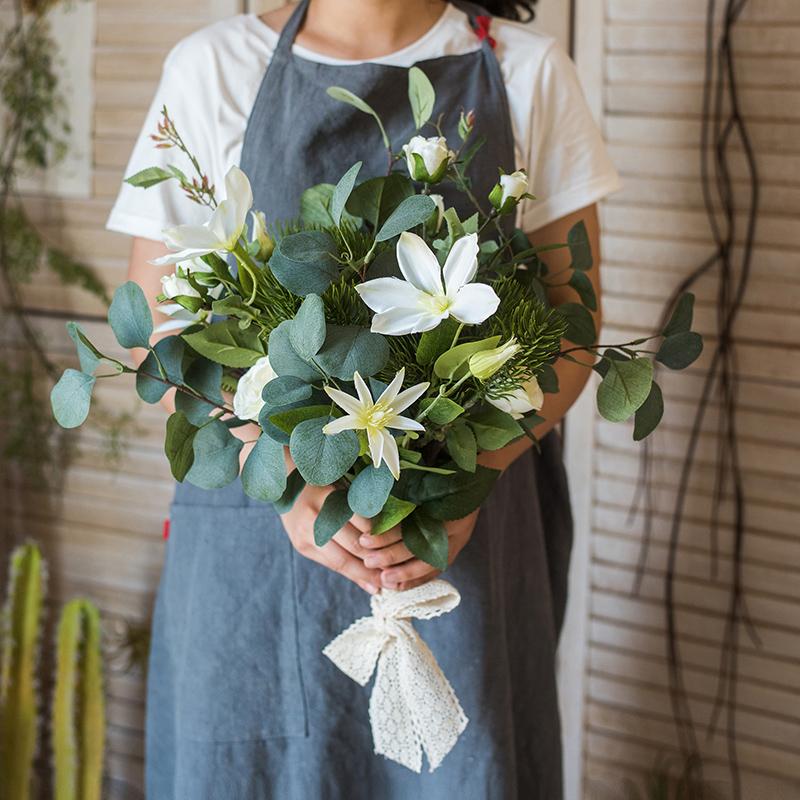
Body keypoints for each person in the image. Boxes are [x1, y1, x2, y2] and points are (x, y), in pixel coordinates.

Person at [108, 1, 621, 797]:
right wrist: (282, 471)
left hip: (461, 550)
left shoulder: (529, 71)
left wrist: (472, 475)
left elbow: (571, 322)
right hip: (256, 551)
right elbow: (157, 329)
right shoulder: (214, 67)